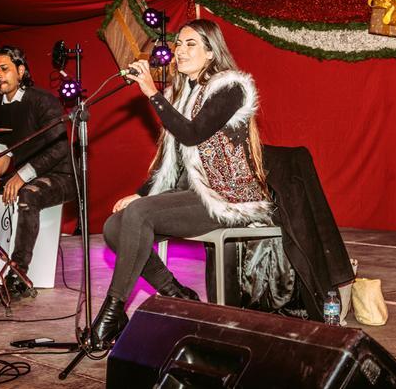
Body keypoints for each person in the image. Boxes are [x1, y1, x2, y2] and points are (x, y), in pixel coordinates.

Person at [90, 19, 272, 349]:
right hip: (191, 195)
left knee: (139, 215)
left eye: (191, 44)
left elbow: (192, 134)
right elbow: (170, 161)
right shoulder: (182, 93)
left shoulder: (229, 87)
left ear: (211, 52)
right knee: (114, 227)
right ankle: (178, 295)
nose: (180, 51)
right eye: (178, 44)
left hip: (226, 197)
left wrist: (152, 94)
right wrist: (141, 193)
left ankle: (111, 313)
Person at [0, 46, 76, 299]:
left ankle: (18, 274)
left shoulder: (43, 100)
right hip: (25, 175)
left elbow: (59, 149)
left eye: (4, 69)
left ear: (21, 71)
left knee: (28, 194)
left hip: (61, 176)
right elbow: (3, 154)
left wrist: (22, 175)